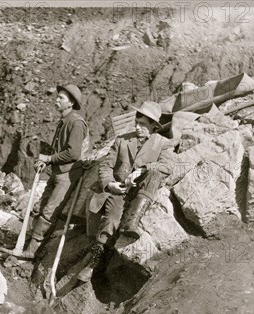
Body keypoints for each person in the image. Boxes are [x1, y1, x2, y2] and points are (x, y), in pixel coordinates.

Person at [78, 101, 174, 282]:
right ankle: (94, 263)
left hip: (141, 192)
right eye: (136, 123)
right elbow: (106, 167)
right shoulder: (122, 139)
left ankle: (131, 222)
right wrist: (109, 184)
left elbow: (168, 166)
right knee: (111, 219)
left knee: (154, 172)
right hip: (119, 190)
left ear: (154, 126)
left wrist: (143, 169)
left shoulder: (163, 144)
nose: (138, 127)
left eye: (143, 125)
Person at [22, 84, 88, 259]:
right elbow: (58, 149)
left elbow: (73, 153)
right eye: (57, 96)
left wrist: (49, 159)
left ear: (71, 103)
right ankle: (27, 241)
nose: (56, 100)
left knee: (49, 212)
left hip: (67, 175)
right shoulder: (63, 121)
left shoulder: (76, 123)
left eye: (61, 98)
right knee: (40, 207)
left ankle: (32, 251)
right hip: (57, 172)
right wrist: (47, 163)